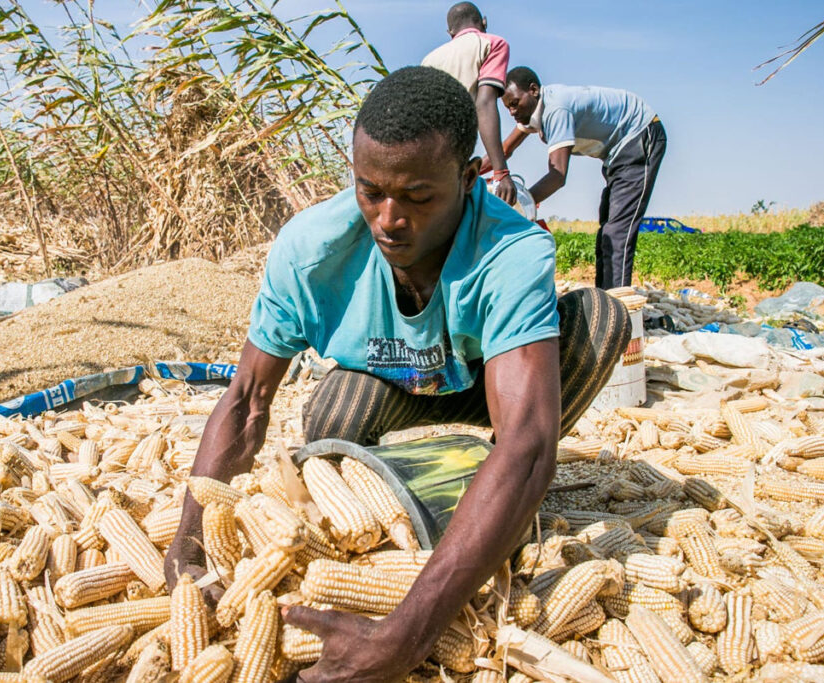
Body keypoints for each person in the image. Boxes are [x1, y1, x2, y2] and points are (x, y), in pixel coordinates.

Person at [164, 66, 630, 682]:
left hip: (484, 400)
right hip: (396, 390)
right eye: (371, 191)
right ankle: (409, 517)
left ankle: (487, 504)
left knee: (601, 320)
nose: (388, 218)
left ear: (467, 179)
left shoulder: (510, 252)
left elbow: (528, 443)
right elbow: (247, 399)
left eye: (416, 196)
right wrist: (189, 541)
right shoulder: (310, 252)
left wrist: (405, 635)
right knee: (335, 414)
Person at [493, 66, 667, 289]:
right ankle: (605, 300)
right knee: (607, 229)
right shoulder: (533, 113)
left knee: (617, 231)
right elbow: (505, 149)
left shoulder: (556, 109)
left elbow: (557, 176)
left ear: (534, 90)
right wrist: (470, 172)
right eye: (507, 108)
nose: (512, 112)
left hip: (639, 133)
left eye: (515, 103)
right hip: (617, 153)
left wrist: (519, 207)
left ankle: (618, 307)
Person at [422, 2, 516, 204]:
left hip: (427, 156)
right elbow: (485, 103)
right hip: (456, 153)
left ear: (450, 32)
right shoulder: (492, 44)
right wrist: (501, 171)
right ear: (484, 22)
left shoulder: (429, 59)